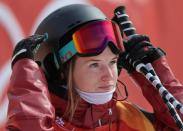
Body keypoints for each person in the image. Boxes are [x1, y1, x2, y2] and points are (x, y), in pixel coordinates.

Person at [6, 4, 183, 131]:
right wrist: (28, 82)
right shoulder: (50, 124)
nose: (109, 76)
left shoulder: (132, 120)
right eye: (94, 64)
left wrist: (156, 72)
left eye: (113, 62)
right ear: (59, 70)